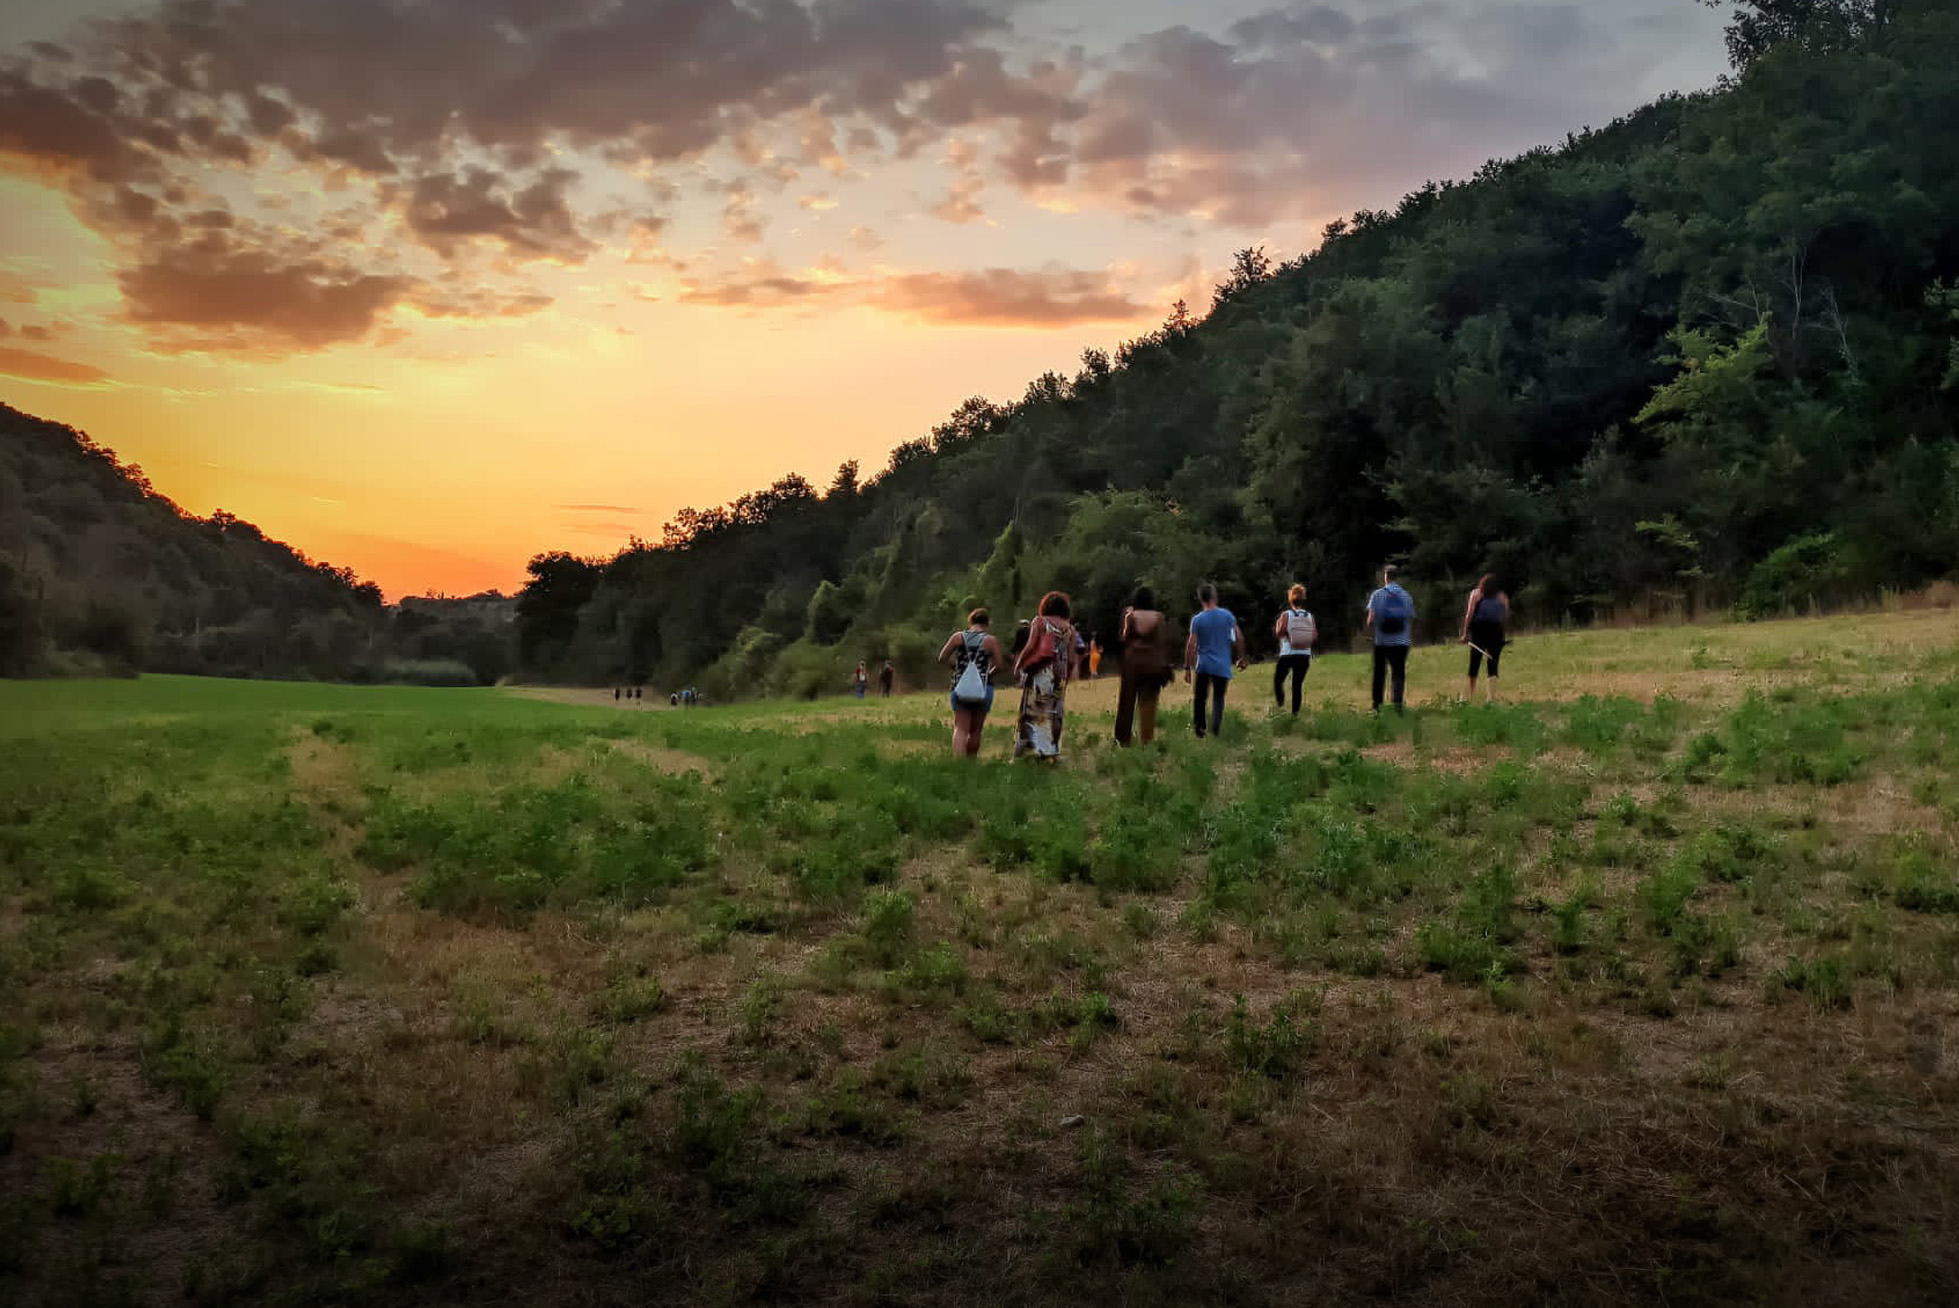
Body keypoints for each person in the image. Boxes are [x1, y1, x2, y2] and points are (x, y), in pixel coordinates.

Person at [1013, 592, 1077, 759]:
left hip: (1042, 673)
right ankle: (1053, 750)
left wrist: (1019, 664)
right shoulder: (1070, 629)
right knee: (1055, 712)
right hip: (1060, 675)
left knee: (1034, 710)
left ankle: (1032, 750)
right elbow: (1071, 658)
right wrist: (1066, 677)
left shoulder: (1040, 622)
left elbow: (1030, 646)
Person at [939, 608, 1005, 758]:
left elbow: (942, 657)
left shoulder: (958, 637)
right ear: (987, 624)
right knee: (976, 730)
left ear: (971, 621)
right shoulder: (991, 641)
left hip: (959, 686)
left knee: (961, 728)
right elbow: (1000, 666)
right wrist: (988, 674)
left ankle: (959, 763)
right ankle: (971, 763)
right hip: (983, 688)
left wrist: (956, 668)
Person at [1185, 582, 1246, 740]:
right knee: (1218, 698)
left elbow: (1191, 645)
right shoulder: (1227, 616)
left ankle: (1200, 730)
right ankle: (1216, 729)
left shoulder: (1197, 620)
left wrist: (1187, 667)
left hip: (1204, 665)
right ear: (1214, 596)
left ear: (1201, 599)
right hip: (1222, 665)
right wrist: (1242, 657)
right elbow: (1239, 637)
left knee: (1200, 698)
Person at [1115, 586, 1170, 747]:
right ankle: (1147, 738)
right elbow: (1162, 640)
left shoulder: (1130, 615)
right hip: (1152, 663)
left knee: (1127, 702)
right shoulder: (1159, 617)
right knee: (1149, 702)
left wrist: (1127, 621)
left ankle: (1123, 739)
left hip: (1132, 663)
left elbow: (1124, 638)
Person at [1365, 564, 1416, 714]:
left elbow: (1370, 620)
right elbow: (1410, 618)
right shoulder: (1406, 596)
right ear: (1397, 577)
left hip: (1382, 642)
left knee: (1379, 673)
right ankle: (1397, 704)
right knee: (1398, 673)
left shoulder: (1377, 595)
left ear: (1385, 577)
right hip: (1401, 642)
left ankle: (1377, 705)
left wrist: (1373, 627)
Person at [1461, 574, 1510, 702]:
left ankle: (1468, 696)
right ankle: (1490, 698)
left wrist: (1465, 633)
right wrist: (1503, 634)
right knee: (1493, 664)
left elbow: (1469, 614)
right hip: (1496, 631)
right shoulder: (1502, 596)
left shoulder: (1476, 594)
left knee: (1474, 663)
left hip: (1479, 631)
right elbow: (1505, 615)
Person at [1271, 584, 1317, 716]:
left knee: (1278, 681)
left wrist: (1279, 627)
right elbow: (1314, 635)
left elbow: (1280, 632)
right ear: (1303, 599)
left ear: (1290, 599)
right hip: (1304, 654)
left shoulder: (1286, 615)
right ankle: (1295, 713)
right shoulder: (1309, 616)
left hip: (1288, 653)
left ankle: (1280, 704)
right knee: (1297, 685)